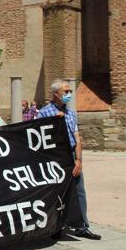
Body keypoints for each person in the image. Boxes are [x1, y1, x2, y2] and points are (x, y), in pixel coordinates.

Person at [37, 80, 101, 240]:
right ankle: (57, 225)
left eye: (69, 91)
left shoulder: (71, 114)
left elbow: (77, 138)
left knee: (79, 191)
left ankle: (82, 226)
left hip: (72, 155)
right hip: (55, 158)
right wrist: (54, 123)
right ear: (56, 94)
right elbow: (39, 138)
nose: (69, 94)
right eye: (66, 91)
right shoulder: (44, 113)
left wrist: (79, 160)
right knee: (57, 192)